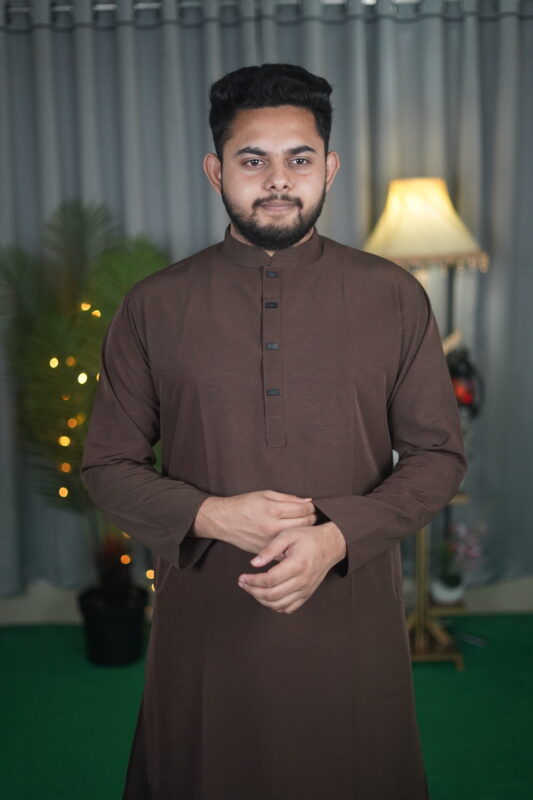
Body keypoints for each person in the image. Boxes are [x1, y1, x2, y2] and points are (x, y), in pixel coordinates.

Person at [80, 63, 467, 800]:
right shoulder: (154, 306)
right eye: (253, 160)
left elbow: (438, 455)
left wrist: (336, 537)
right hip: (208, 617)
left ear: (330, 169)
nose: (279, 180)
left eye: (300, 159)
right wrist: (211, 515)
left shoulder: (394, 296)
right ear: (215, 170)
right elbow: (107, 466)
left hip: (349, 610)